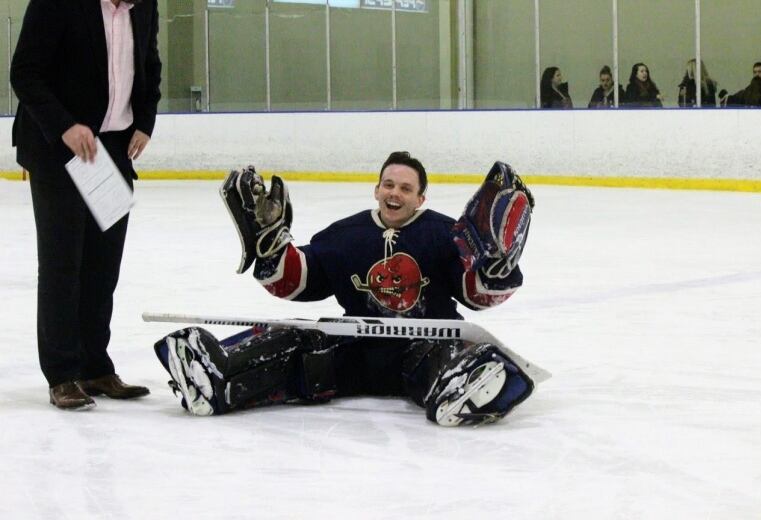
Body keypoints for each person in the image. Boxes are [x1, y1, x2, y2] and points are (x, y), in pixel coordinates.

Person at [153, 152, 538, 426]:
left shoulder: (443, 233)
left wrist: (495, 270)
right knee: (299, 338)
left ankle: (462, 387)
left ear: (421, 198)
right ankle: (216, 378)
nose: (395, 193)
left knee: (449, 357)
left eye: (406, 188)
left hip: (426, 343)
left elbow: (474, 294)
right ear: (376, 189)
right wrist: (271, 245)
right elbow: (298, 280)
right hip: (358, 347)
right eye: (389, 184)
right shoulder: (346, 235)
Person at [10, 0, 162, 410]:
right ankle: (62, 375)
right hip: (58, 148)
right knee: (63, 262)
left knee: (102, 262)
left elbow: (150, 62)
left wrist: (145, 121)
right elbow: (24, 73)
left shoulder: (143, 5)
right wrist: (64, 125)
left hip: (110, 148)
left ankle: (96, 366)